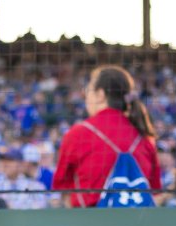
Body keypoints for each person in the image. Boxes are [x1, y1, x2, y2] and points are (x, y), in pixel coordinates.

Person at [52, 65, 161, 207]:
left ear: (100, 94)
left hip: (89, 218)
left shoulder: (78, 134)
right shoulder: (144, 135)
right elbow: (155, 192)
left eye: (88, 90)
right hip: (138, 219)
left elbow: (62, 188)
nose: (85, 96)